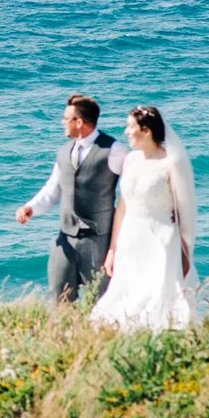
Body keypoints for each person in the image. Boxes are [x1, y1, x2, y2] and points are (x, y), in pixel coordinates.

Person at [93, 104, 199, 332]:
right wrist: (112, 249)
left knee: (158, 296)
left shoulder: (171, 163)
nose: (126, 131)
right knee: (126, 296)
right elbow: (122, 207)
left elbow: (184, 210)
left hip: (161, 240)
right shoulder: (130, 160)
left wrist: (185, 249)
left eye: (130, 126)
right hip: (130, 239)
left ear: (146, 130)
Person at [15, 94, 125, 305]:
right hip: (65, 238)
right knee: (59, 299)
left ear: (80, 122)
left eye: (66, 118)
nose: (62, 122)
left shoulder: (115, 150)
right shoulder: (63, 152)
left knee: (102, 303)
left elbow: (131, 191)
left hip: (98, 240)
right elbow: (53, 189)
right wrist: (31, 207)